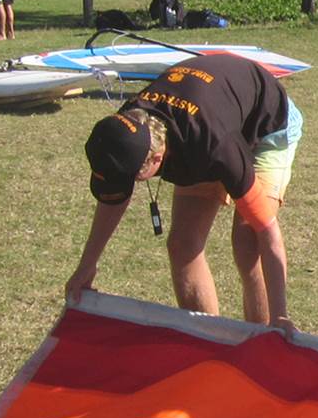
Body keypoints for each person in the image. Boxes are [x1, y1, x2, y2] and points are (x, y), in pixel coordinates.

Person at [68, 52, 302, 328]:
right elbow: (113, 198)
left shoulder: (215, 146)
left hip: (267, 125)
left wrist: (280, 315)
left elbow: (267, 231)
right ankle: (208, 340)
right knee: (182, 245)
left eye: (134, 178)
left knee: (248, 243)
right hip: (207, 118)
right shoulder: (127, 126)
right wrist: (86, 265)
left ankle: (264, 341)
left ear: (157, 159)